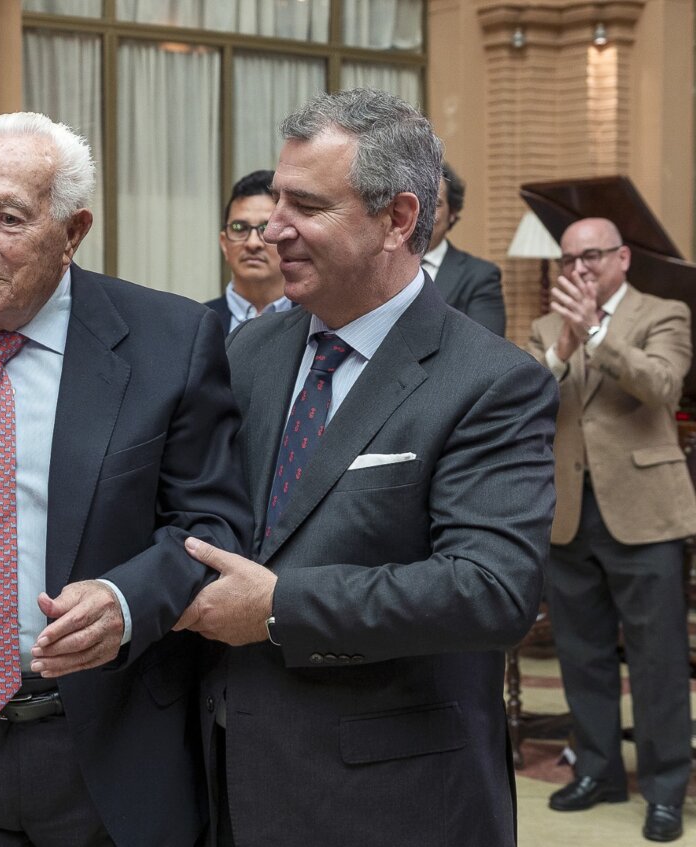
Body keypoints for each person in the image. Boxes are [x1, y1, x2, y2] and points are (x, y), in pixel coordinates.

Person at [174, 89, 558, 847]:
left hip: (393, 798)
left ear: (399, 219)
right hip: (232, 780)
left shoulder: (491, 381)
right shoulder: (247, 351)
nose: (272, 230)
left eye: (306, 206)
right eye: (275, 199)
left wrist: (283, 606)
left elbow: (492, 589)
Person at [0, 111, 250, 847]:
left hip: (110, 748)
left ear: (73, 232)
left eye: (9, 218)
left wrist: (126, 598)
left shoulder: (169, 343)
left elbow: (214, 525)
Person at [527, 217, 696, 843]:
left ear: (623, 257)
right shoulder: (547, 326)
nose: (580, 269)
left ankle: (664, 788)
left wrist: (598, 330)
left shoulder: (664, 311)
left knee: (657, 661)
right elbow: (523, 399)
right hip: (569, 511)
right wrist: (565, 344)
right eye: (570, 258)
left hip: (645, 510)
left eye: (592, 256)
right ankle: (598, 770)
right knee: (582, 654)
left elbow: (662, 385)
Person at [420, 162, 506, 335]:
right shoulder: (381, 267)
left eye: (435, 203)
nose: (423, 211)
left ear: (452, 214)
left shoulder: (480, 276)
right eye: (419, 200)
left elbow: (486, 347)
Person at [205, 169, 292, 333]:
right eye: (239, 228)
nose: (253, 243)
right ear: (224, 244)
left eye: (265, 228)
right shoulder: (196, 325)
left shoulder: (316, 322)